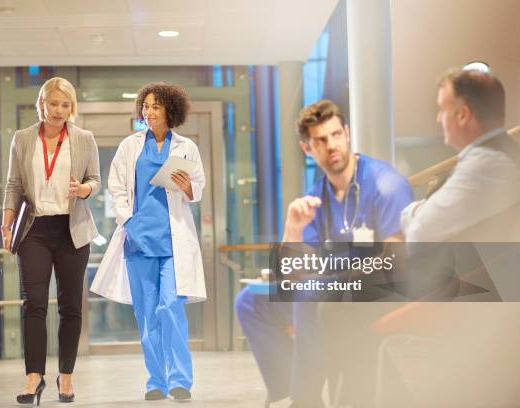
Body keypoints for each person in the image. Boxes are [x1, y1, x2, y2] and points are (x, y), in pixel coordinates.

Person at [235, 99, 413, 407]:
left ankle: (305, 399)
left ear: (347, 133)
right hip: (327, 293)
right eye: (320, 140)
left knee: (309, 295)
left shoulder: (384, 183)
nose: (331, 145)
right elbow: (292, 273)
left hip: (379, 291)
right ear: (308, 149)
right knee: (251, 302)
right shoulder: (316, 197)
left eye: (335, 135)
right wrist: (293, 228)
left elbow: (397, 261)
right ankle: (291, 390)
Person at [90, 82, 206, 401]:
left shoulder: (186, 147)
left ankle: (180, 378)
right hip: (138, 239)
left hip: (173, 242)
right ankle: (156, 381)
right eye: (146, 106)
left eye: (156, 106)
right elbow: (116, 188)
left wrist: (187, 188)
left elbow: (198, 189)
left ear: (170, 110)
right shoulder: (131, 146)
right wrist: (128, 221)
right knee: (147, 315)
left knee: (170, 307)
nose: (149, 111)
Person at [2, 77, 101, 405]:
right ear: (41, 104)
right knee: (34, 304)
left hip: (72, 230)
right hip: (34, 230)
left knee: (71, 306)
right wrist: (6, 223)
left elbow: (95, 180)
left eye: (65, 104)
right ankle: (34, 377)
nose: (58, 110)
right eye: (53, 103)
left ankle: (66, 376)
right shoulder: (23, 138)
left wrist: (84, 190)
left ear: (71, 107)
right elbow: (14, 184)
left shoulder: (84, 138)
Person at [402, 68, 520, 242]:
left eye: (442, 109)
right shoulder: (497, 155)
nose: (438, 118)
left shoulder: (486, 163)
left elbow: (419, 234)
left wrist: (414, 212)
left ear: (463, 115)